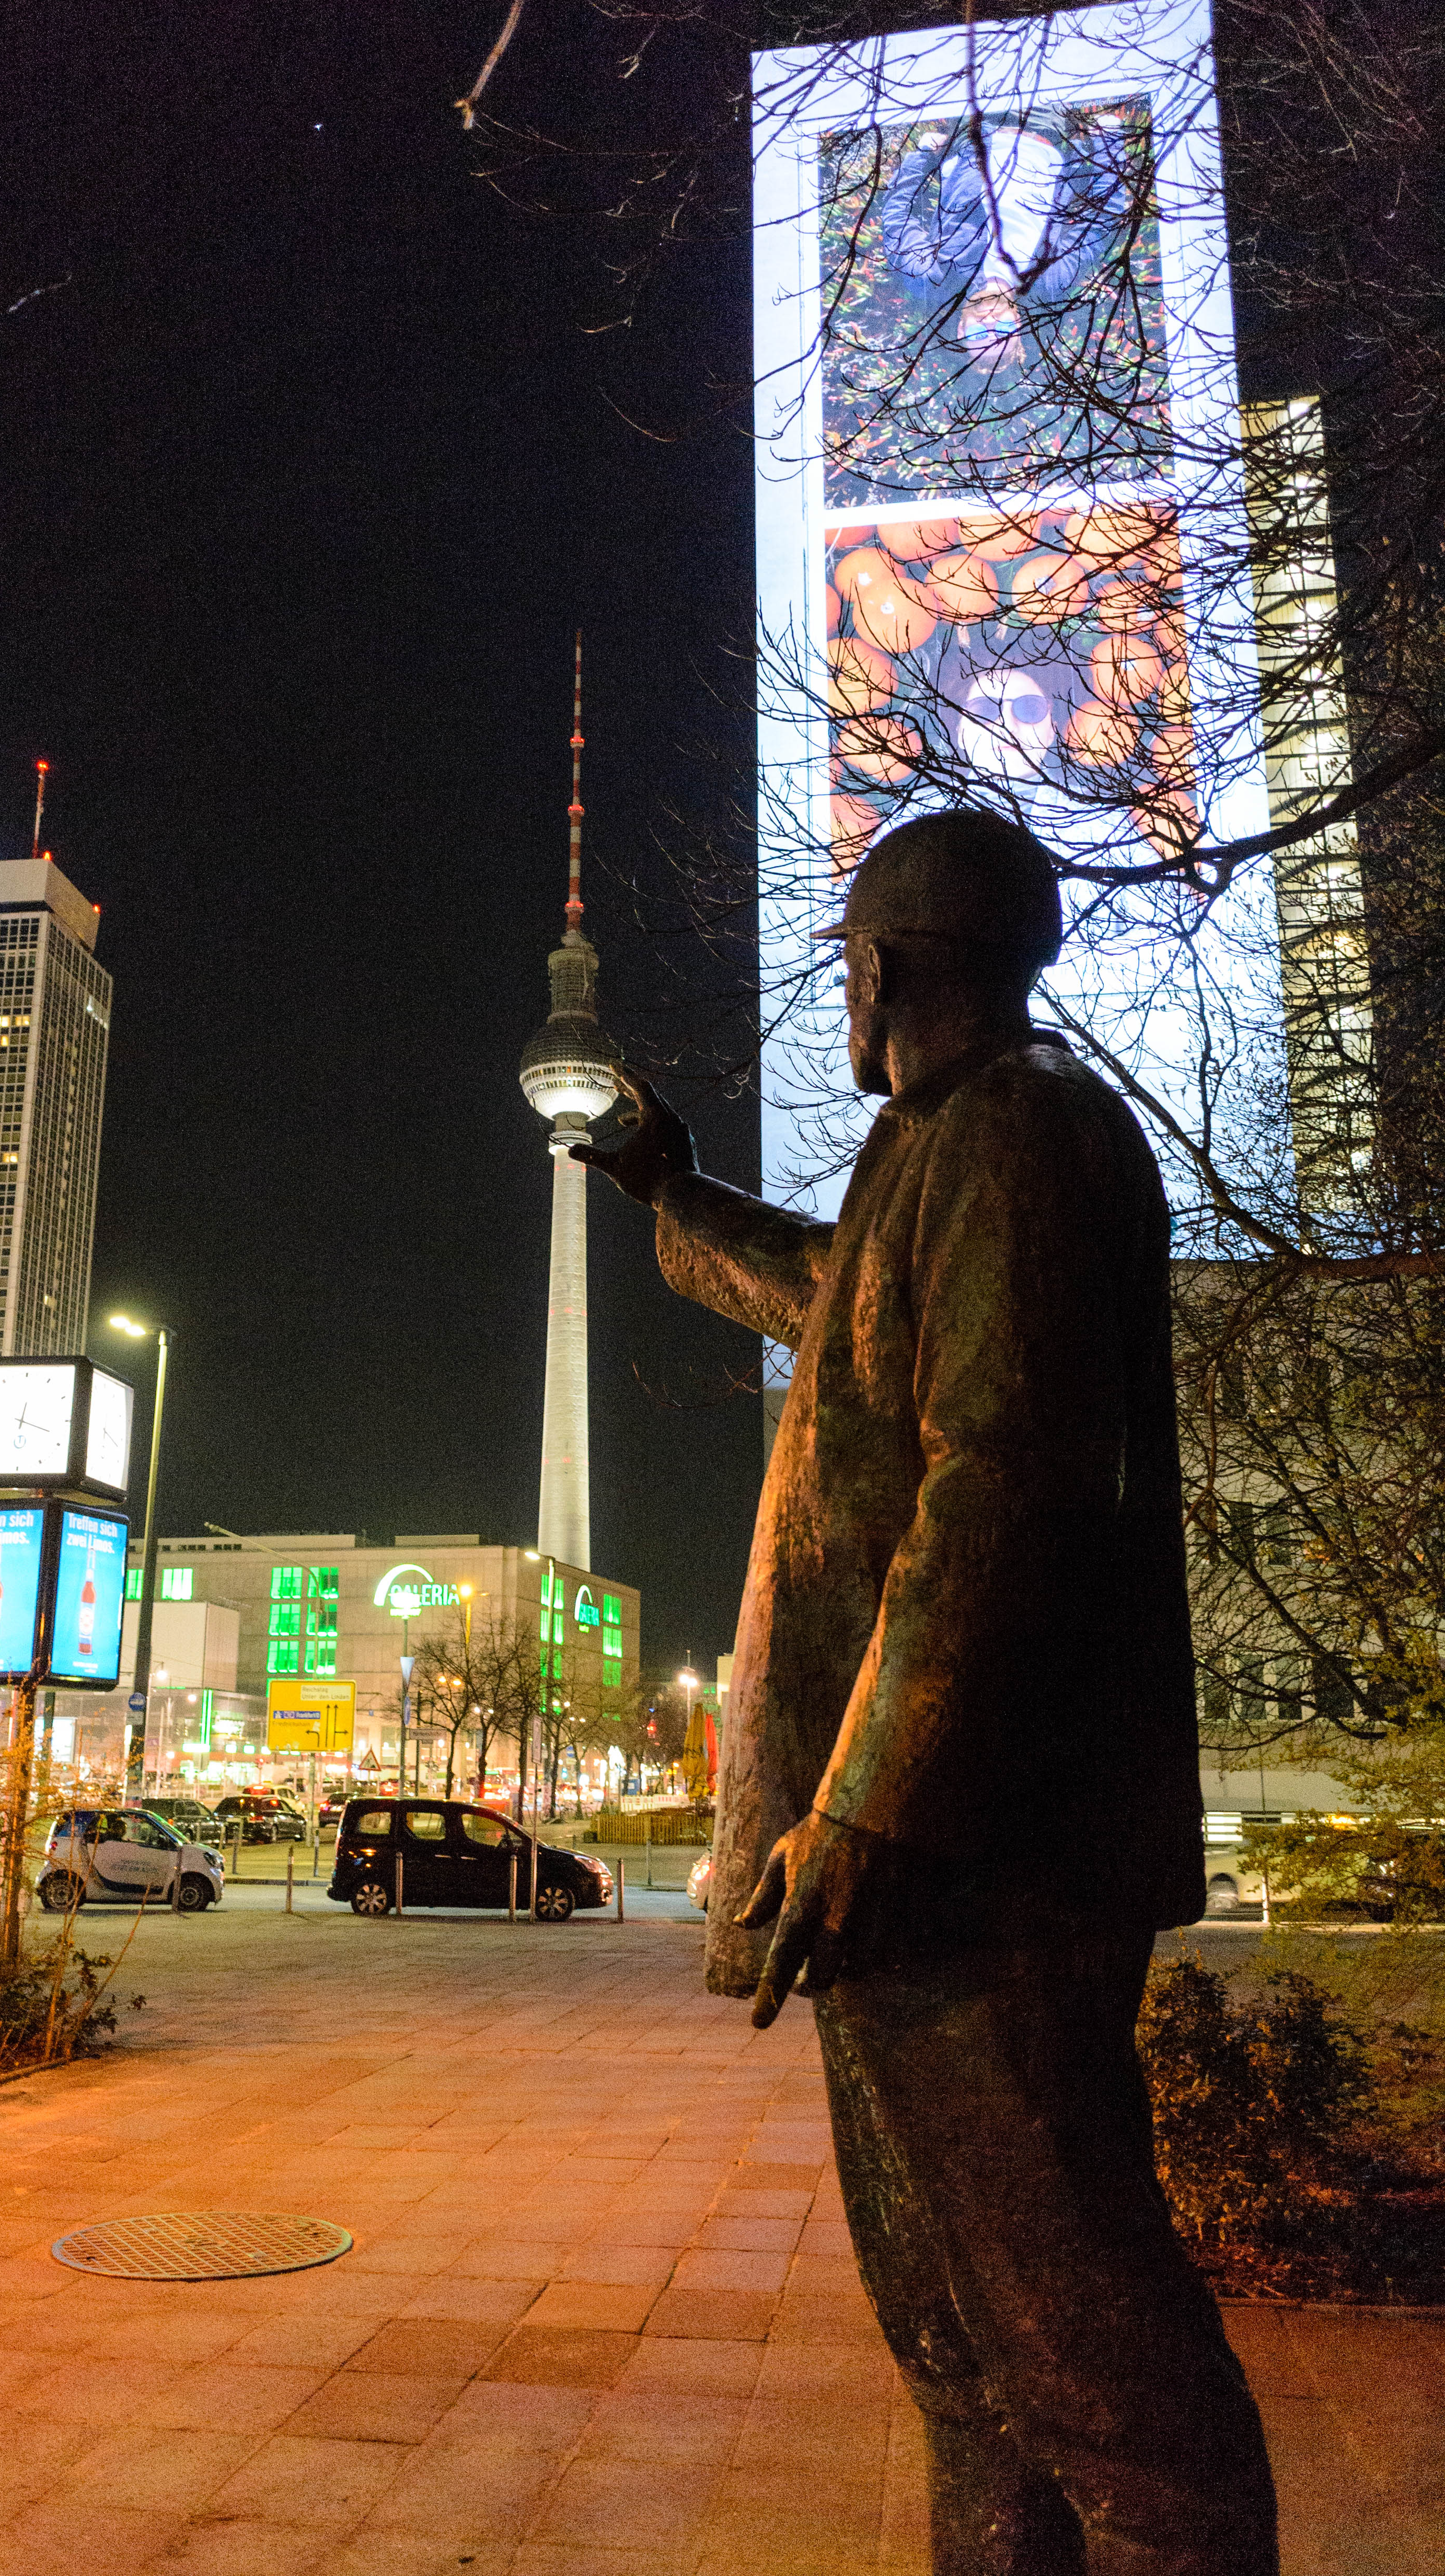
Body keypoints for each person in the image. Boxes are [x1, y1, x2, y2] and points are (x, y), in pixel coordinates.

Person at [573, 808, 1278, 2576]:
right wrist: (672, 1191)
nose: (846, 994)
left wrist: (871, 1801)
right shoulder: (939, 1151)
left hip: (980, 1863)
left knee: (1097, 2369)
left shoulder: (1026, 1134)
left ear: (882, 969)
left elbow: (1001, 1482)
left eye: (848, 966)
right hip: (912, 1880)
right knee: (964, 2360)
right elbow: (829, 1298)